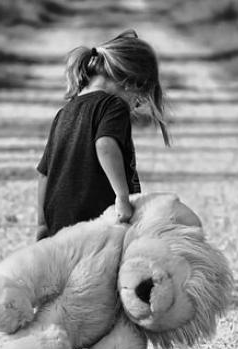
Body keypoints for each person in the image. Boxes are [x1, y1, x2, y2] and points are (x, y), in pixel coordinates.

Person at [36, 29, 170, 240]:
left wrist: (42, 223)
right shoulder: (113, 105)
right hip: (97, 218)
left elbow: (45, 172)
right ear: (132, 82)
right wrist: (122, 197)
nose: (136, 105)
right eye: (139, 99)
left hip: (59, 221)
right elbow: (105, 145)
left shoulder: (64, 112)